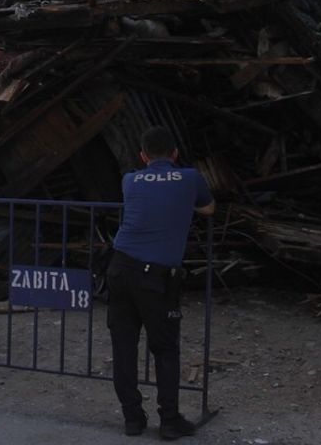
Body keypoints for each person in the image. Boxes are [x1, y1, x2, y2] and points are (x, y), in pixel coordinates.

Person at [107, 126, 215, 439]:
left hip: (120, 267)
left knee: (124, 348)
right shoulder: (190, 177)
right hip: (156, 277)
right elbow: (208, 208)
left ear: (142, 156)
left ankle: (132, 420)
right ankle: (169, 421)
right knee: (165, 348)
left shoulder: (130, 180)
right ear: (175, 153)